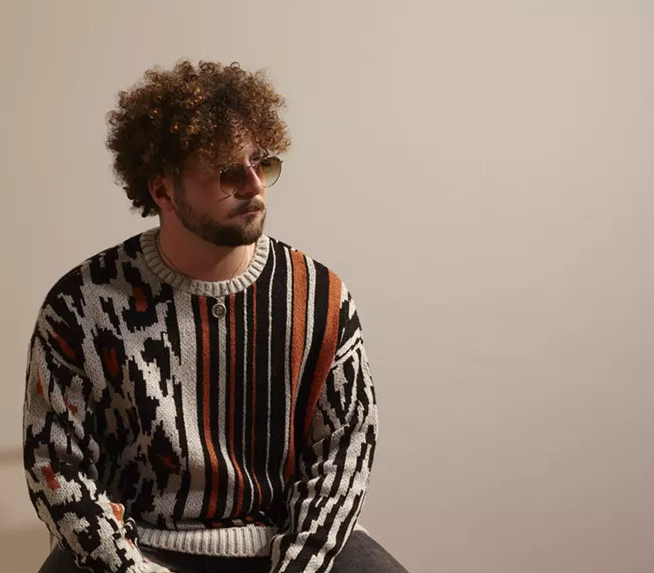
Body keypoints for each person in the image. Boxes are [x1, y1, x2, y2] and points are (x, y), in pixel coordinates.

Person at [23, 59, 408, 573]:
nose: (254, 185)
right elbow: (55, 465)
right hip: (135, 543)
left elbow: (346, 449)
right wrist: (130, 569)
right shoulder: (81, 304)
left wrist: (299, 566)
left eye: (262, 164)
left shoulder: (319, 297)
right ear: (162, 190)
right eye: (229, 173)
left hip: (282, 538)